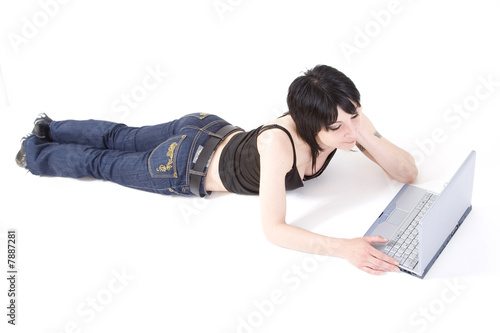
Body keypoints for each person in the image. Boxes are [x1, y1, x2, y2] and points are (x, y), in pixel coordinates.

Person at [15, 65, 418, 275]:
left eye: (354, 115)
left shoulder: (344, 121)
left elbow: (408, 173)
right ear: (310, 125)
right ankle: (34, 149)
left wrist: (365, 129)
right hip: (183, 163)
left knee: (122, 135)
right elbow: (274, 230)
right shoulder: (279, 144)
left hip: (210, 126)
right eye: (337, 128)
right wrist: (343, 246)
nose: (350, 133)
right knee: (104, 159)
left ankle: (48, 128)